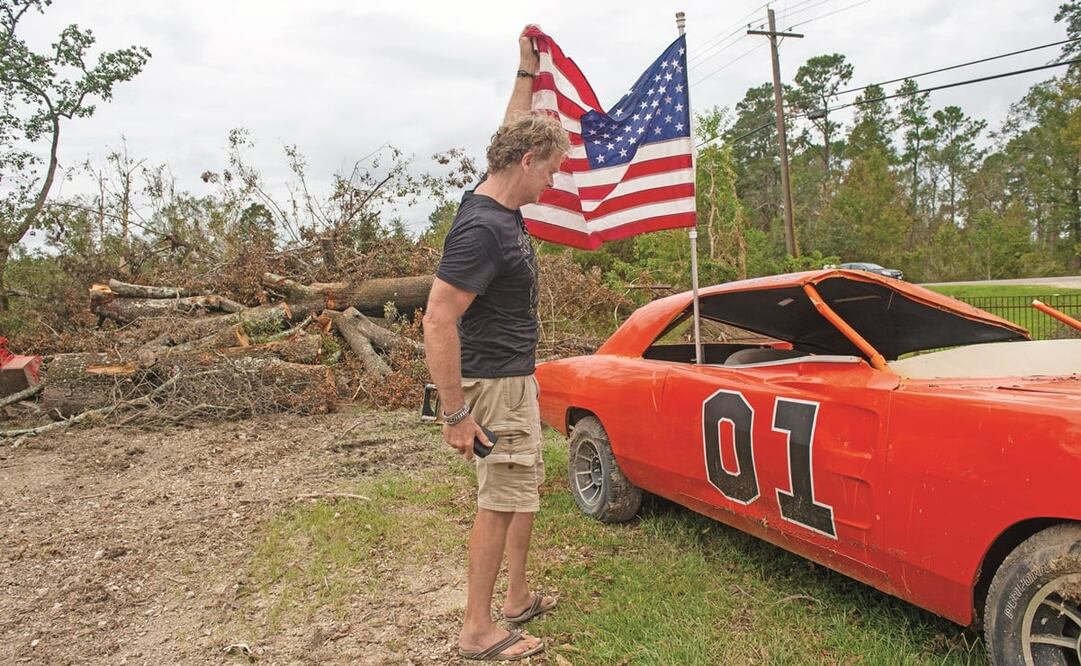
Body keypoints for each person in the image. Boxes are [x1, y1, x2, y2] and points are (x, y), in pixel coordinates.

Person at [422, 25, 570, 662]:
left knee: (522, 490)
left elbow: (512, 132)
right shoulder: (483, 228)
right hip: (493, 386)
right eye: (551, 172)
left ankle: (515, 599)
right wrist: (454, 413)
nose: (553, 186)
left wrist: (524, 73)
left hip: (515, 376)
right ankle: (478, 630)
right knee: (501, 500)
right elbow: (436, 319)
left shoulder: (499, 196)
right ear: (527, 165)